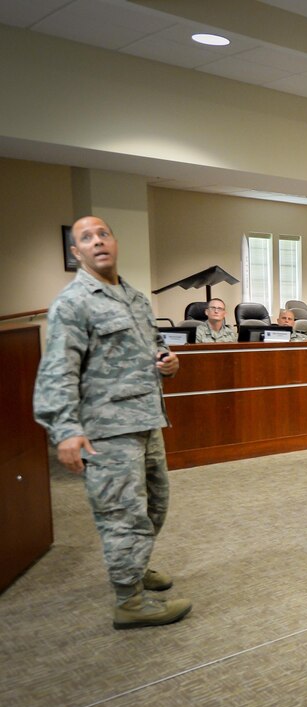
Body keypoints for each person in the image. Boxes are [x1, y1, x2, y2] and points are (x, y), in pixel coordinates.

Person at [33, 216, 192, 629]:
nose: (98, 241)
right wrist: (64, 429)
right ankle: (129, 600)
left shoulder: (135, 298)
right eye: (86, 238)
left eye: (103, 233)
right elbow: (57, 371)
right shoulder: (73, 303)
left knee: (155, 506)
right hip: (106, 429)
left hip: (145, 419)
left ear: (115, 242)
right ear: (76, 253)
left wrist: (168, 365)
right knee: (122, 513)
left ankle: (135, 568)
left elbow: (155, 349)